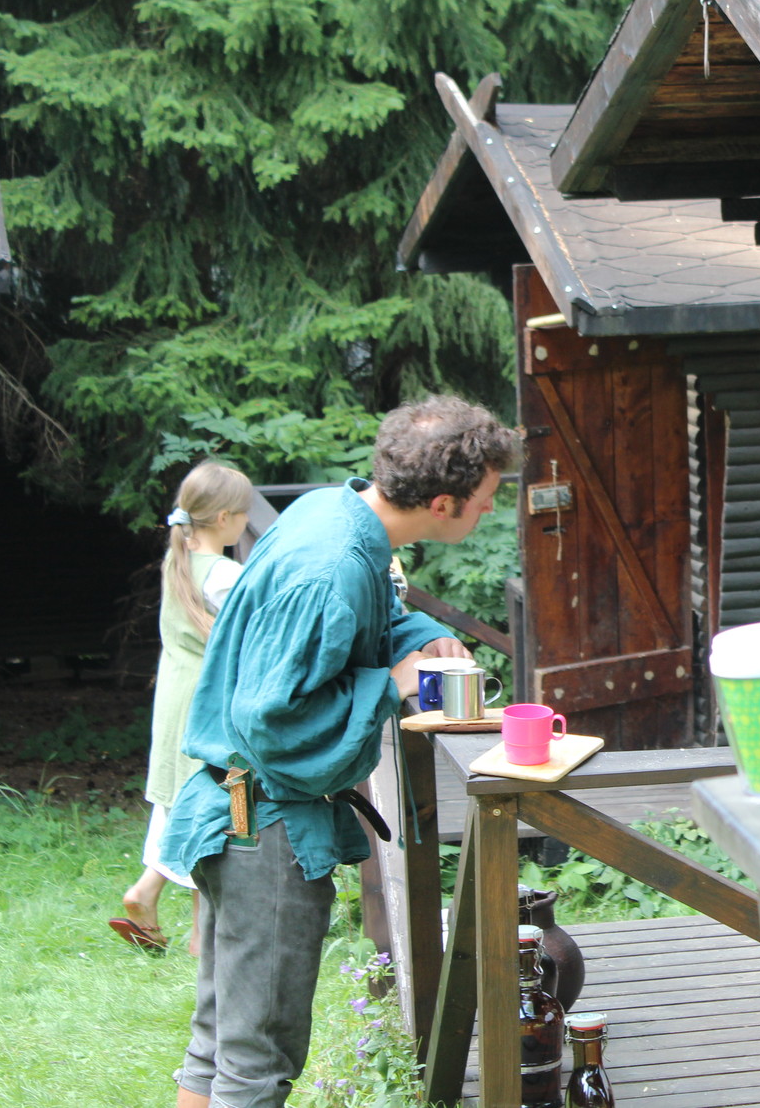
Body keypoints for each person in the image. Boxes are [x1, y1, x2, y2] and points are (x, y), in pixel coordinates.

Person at [160, 395, 518, 1108]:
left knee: (220, 1046)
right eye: (483, 502)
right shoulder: (329, 565)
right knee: (256, 1065)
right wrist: (392, 683)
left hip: (232, 812)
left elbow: (373, 613)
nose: (487, 514)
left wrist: (418, 636)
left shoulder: (338, 513)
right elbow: (273, 720)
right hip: (260, 827)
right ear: (443, 503)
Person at [111, 462, 255, 955]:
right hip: (206, 704)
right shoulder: (225, 574)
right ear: (222, 518)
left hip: (174, 701)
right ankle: (194, 931)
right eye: (244, 513)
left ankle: (160, 904)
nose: (246, 523)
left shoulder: (180, 562)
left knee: (181, 802)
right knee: (211, 806)